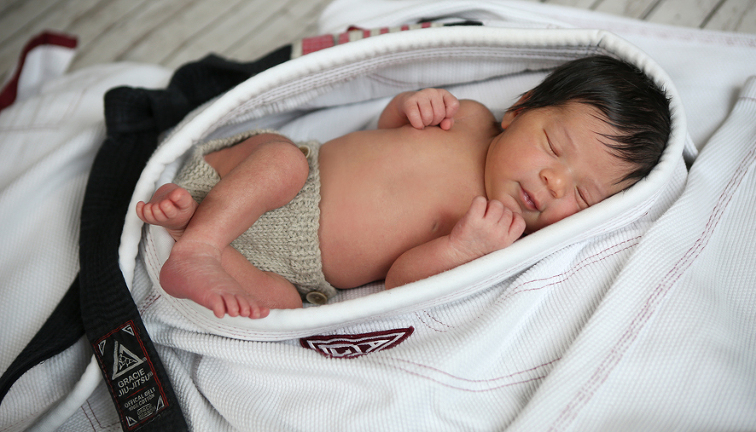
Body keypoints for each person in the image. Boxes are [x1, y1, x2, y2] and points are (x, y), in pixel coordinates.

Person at [136, 55, 671, 319]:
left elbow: (401, 281)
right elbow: (382, 132)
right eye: (555, 146)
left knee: (288, 309)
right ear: (521, 108)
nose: (556, 183)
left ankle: (198, 231)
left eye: (583, 197)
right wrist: (410, 106)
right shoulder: (468, 118)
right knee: (282, 161)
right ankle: (200, 244)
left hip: (292, 268)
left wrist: (462, 249)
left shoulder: (498, 237)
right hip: (275, 182)